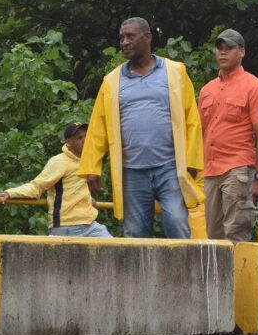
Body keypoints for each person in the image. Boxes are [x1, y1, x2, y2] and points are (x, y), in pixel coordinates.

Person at [79, 17, 204, 238]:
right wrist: (92, 166)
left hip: (170, 167)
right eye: (121, 38)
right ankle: (139, 275)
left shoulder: (175, 72)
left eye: (130, 36)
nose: (124, 42)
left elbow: (191, 119)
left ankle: (185, 274)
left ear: (147, 38)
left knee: (176, 221)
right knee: (135, 232)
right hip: (131, 171)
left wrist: (192, 162)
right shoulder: (112, 80)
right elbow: (99, 126)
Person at [198, 29, 258, 243]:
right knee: (213, 236)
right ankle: (217, 278)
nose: (223, 52)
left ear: (242, 52)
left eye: (229, 48)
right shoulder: (207, 90)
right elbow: (200, 133)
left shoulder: (254, 87)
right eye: (219, 48)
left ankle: (240, 277)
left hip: (238, 168)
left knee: (236, 234)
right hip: (210, 171)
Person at [0, 122, 112, 237]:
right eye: (80, 138)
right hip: (66, 227)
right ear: (69, 144)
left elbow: (74, 188)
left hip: (89, 225)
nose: (85, 140)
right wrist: (10, 193)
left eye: (87, 136)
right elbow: (37, 186)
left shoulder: (87, 162)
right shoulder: (59, 161)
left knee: (115, 248)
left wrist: (87, 200)